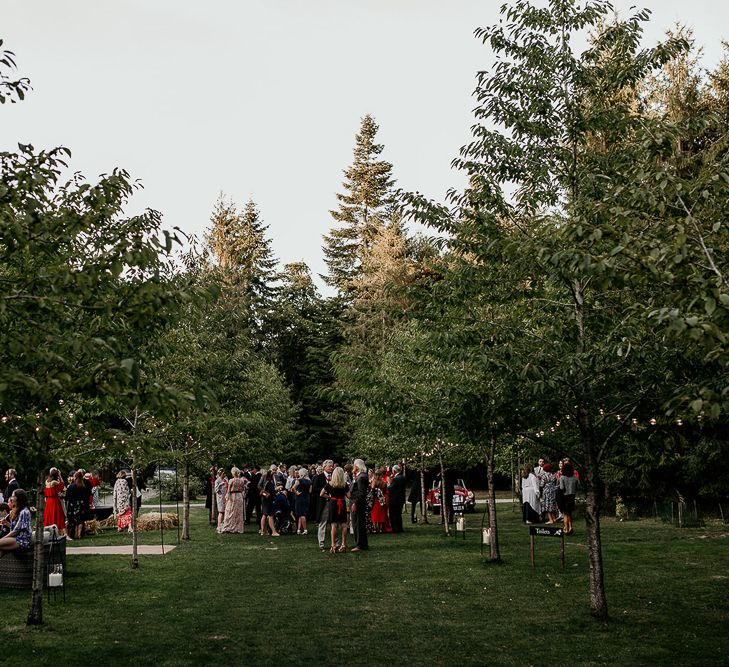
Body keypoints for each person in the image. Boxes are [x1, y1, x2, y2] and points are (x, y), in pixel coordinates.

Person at [321, 466, 348, 553]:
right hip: (342, 503)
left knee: (334, 524)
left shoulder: (330, 484)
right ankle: (343, 544)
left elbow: (321, 494)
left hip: (333, 503)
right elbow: (349, 496)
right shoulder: (344, 484)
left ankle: (333, 546)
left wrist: (329, 497)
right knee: (344, 524)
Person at [0, 489, 32, 555]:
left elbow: (16, 531)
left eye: (13, 496)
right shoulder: (17, 510)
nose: (11, 498)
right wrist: (7, 523)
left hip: (22, 540)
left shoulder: (24, 512)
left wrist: (3, 538)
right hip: (15, 538)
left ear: (18, 498)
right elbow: (15, 528)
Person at [317, 460, 339, 551]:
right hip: (323, 502)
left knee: (334, 523)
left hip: (333, 502)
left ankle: (336, 543)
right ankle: (321, 543)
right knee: (323, 523)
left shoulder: (335, 476)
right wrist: (325, 490)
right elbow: (314, 489)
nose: (331, 467)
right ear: (324, 467)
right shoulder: (319, 477)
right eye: (330, 466)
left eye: (332, 466)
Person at [350, 459, 369, 552]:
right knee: (358, 523)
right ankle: (362, 544)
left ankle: (360, 545)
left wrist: (355, 503)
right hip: (357, 502)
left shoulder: (361, 477)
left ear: (357, 467)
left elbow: (361, 493)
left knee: (358, 524)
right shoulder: (360, 476)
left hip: (357, 503)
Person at [221, 467, 247, 534]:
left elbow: (228, 491)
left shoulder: (231, 480)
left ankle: (229, 527)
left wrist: (227, 499)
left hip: (232, 496)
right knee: (238, 513)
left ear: (233, 473)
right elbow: (243, 489)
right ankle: (238, 528)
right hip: (239, 496)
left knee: (230, 511)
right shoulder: (242, 480)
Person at [66, 470, 90, 540]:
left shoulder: (71, 486)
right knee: (80, 520)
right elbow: (86, 495)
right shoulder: (83, 486)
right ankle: (79, 534)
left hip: (72, 505)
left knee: (72, 520)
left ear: (75, 477)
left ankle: (72, 534)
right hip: (80, 505)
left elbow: (67, 497)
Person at [43, 467, 66, 536]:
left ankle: (48, 531)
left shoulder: (47, 481)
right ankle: (58, 532)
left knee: (49, 516)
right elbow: (62, 485)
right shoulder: (54, 482)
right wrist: (60, 475)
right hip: (54, 501)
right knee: (57, 516)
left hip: (48, 501)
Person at [259, 468, 280, 537]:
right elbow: (272, 491)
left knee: (264, 515)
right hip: (268, 500)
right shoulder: (269, 482)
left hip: (264, 500)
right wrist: (277, 489)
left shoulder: (266, 482)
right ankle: (273, 531)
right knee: (270, 515)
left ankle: (262, 531)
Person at [559, 462, 578, 535]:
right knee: (569, 513)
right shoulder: (575, 478)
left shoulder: (562, 477)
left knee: (565, 514)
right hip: (572, 496)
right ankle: (570, 527)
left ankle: (566, 528)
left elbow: (561, 488)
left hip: (565, 496)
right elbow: (577, 487)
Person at [387, 464, 406, 533]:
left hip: (394, 499)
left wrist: (389, 483)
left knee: (393, 514)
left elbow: (390, 489)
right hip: (400, 499)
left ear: (394, 471)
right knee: (398, 514)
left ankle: (395, 528)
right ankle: (400, 528)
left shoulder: (396, 479)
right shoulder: (402, 477)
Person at [294, 467, 311, 535]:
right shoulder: (309, 481)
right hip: (306, 497)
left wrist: (296, 492)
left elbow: (293, 488)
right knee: (302, 514)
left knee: (301, 514)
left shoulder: (299, 480)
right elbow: (310, 491)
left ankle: (305, 529)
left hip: (300, 498)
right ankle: (298, 529)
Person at [370, 469, 388, 533]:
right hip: (382, 500)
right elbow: (385, 491)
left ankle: (375, 529)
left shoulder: (374, 482)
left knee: (374, 514)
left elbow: (372, 490)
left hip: (375, 500)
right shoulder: (384, 483)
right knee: (381, 514)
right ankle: (380, 529)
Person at [214, 468, 229, 532]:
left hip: (226, 497)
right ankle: (219, 526)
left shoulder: (226, 479)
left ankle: (224, 526)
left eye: (225, 473)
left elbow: (228, 487)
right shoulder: (217, 481)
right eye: (223, 473)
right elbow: (216, 490)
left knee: (226, 512)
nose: (225, 474)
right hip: (220, 498)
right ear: (220, 474)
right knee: (221, 512)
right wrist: (220, 485)